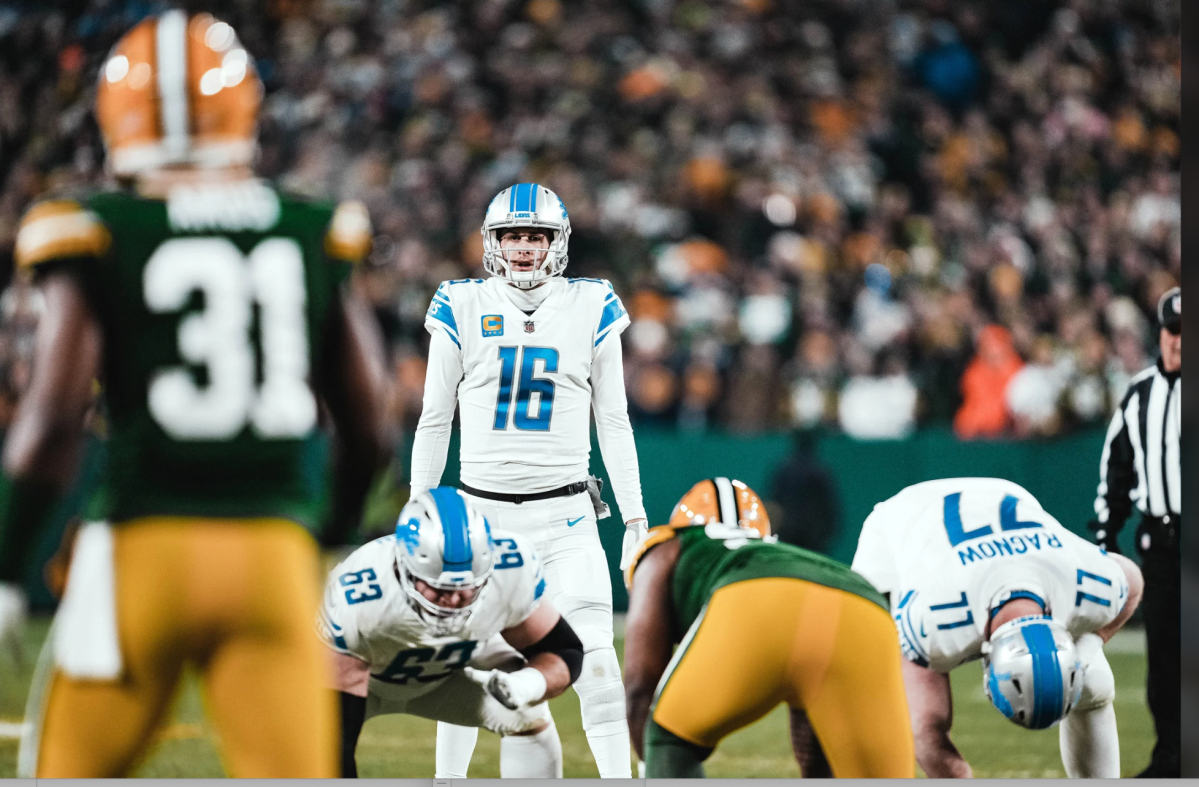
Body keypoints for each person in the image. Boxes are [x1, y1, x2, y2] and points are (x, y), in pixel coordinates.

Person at [0, 11, 389, 777]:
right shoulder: (309, 225)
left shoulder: (92, 227)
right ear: (241, 109)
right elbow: (371, 422)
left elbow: (50, 426)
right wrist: (328, 526)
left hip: (140, 551)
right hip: (272, 555)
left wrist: (9, 566)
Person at [411, 183, 646, 777]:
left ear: (556, 243)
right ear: (493, 243)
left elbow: (613, 419)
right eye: (512, 236)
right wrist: (419, 507)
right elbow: (435, 417)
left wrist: (636, 516)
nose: (522, 247)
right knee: (465, 662)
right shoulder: (460, 302)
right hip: (481, 516)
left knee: (596, 658)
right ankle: (448, 780)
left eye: (534, 236)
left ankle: (622, 779)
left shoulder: (590, 303)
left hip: (565, 518)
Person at [623, 477, 915, 778]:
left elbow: (639, 686)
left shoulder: (668, 544)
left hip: (753, 598)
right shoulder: (778, 553)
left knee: (669, 738)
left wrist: (654, 766)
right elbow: (811, 709)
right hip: (865, 602)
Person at [852, 477, 1144, 778]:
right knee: (882, 693)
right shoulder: (936, 619)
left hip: (1003, 497)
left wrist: (1086, 650)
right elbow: (926, 734)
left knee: (1093, 682)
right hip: (901, 519)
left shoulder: (1086, 582)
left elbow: (1132, 581)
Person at [321, 487, 584, 778]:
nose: (454, 601)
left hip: (439, 680)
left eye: (466, 587)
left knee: (527, 714)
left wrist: (525, 685)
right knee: (311, 747)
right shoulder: (361, 597)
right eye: (439, 589)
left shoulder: (511, 567)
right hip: (361, 686)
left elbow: (564, 651)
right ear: (405, 570)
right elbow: (337, 743)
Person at [1089, 286, 1181, 777]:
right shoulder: (1140, 394)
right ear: (1161, 333)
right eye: (1173, 331)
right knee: (1164, 658)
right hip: (1161, 542)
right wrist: (1106, 538)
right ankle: (1170, 757)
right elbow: (1116, 472)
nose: (1179, 342)